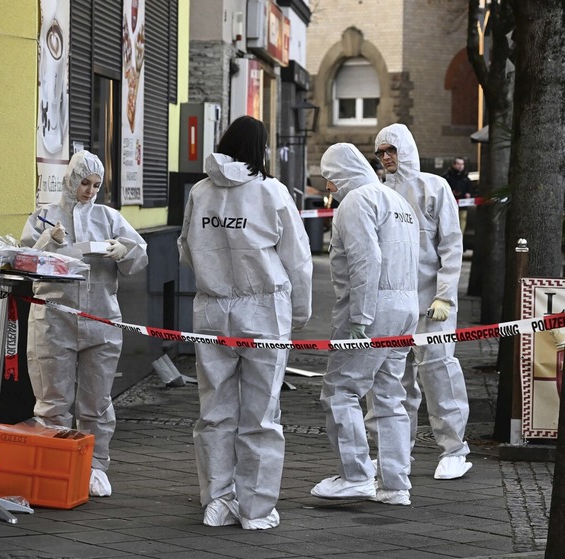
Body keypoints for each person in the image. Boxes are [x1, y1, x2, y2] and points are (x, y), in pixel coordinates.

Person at [178, 115, 313, 530]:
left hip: (212, 310)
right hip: (264, 312)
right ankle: (255, 509)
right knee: (261, 413)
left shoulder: (200, 192)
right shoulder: (271, 192)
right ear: (260, 149)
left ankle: (216, 501)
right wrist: (300, 313)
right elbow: (298, 260)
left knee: (215, 410)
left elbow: (186, 248)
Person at [21, 150, 148, 497]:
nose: (90, 190)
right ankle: (53, 466)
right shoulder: (44, 217)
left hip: (102, 320)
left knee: (97, 402)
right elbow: (26, 261)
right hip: (54, 320)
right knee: (52, 401)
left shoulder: (109, 218)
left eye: (96, 185)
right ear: (71, 180)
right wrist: (51, 242)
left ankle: (96, 466)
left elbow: (139, 253)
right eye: (85, 183)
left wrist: (124, 251)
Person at [311, 143, 419, 506]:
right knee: (389, 395)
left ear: (341, 172)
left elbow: (365, 260)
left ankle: (355, 474)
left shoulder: (356, 202)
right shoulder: (396, 201)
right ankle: (395, 483)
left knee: (340, 390)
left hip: (373, 311)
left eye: (329, 179)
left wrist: (360, 318)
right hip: (405, 309)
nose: (329, 188)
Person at [374, 124, 472, 480]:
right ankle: (400, 451)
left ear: (406, 150)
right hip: (396, 302)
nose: (386, 158)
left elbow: (450, 246)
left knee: (439, 373)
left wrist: (445, 295)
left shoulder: (434, 187)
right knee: (396, 380)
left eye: (391, 151)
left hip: (432, 302)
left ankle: (454, 449)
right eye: (381, 152)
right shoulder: (379, 192)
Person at [442, 157, 473, 235]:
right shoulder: (447, 177)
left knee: (462, 220)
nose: (461, 166)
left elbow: (470, 189)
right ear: (454, 165)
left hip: (463, 205)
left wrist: (468, 194)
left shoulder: (466, 178)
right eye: (458, 164)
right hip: (449, 206)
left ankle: (460, 237)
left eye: (462, 164)